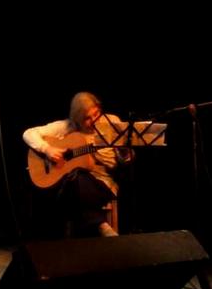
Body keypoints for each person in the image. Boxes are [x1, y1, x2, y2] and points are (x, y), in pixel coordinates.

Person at [23, 91, 134, 238]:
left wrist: (125, 155)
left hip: (103, 184)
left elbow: (126, 158)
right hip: (74, 183)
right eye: (87, 118)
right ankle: (101, 225)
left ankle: (95, 226)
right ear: (77, 120)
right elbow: (28, 133)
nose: (94, 120)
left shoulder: (112, 122)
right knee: (76, 178)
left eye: (96, 114)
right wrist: (47, 149)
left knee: (75, 184)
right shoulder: (68, 126)